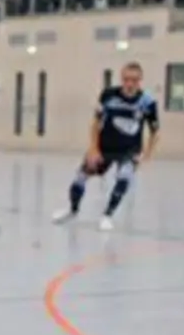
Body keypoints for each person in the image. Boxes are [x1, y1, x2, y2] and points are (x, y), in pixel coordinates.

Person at [53, 62, 160, 231]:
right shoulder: (108, 95)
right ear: (122, 79)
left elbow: (154, 131)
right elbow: (96, 122)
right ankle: (72, 210)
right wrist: (93, 148)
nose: (130, 84)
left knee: (124, 177)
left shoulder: (147, 102)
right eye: (126, 79)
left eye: (134, 80)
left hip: (129, 150)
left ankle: (107, 215)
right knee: (81, 175)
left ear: (140, 81)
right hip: (105, 146)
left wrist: (146, 154)